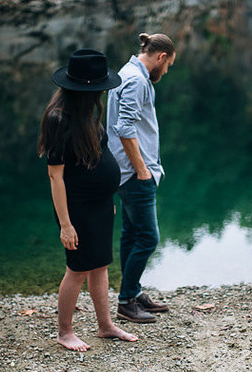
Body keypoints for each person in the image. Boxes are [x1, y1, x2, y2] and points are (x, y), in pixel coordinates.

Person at [38, 49, 137, 351]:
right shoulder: (59, 119)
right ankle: (64, 332)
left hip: (100, 204)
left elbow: (96, 157)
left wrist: (107, 197)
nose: (102, 93)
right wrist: (65, 224)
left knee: (101, 264)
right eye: (98, 89)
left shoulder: (89, 110)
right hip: (76, 206)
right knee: (77, 269)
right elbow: (56, 177)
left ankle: (105, 325)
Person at [107, 33, 176, 323]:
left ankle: (133, 293)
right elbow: (125, 128)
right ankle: (126, 302)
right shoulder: (136, 80)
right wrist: (142, 169)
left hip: (124, 171)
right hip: (135, 173)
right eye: (169, 65)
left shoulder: (129, 73)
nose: (167, 70)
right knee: (148, 237)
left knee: (132, 234)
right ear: (161, 57)